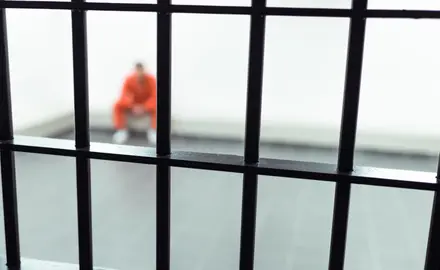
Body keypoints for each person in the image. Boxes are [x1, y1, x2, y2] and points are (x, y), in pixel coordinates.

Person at [112, 62, 157, 145]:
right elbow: (125, 94)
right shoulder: (129, 79)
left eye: (141, 71)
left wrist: (144, 107)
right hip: (133, 104)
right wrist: (132, 106)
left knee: (158, 105)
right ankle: (121, 130)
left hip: (146, 104)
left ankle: (153, 130)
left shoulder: (151, 79)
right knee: (117, 105)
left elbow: (154, 96)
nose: (139, 74)